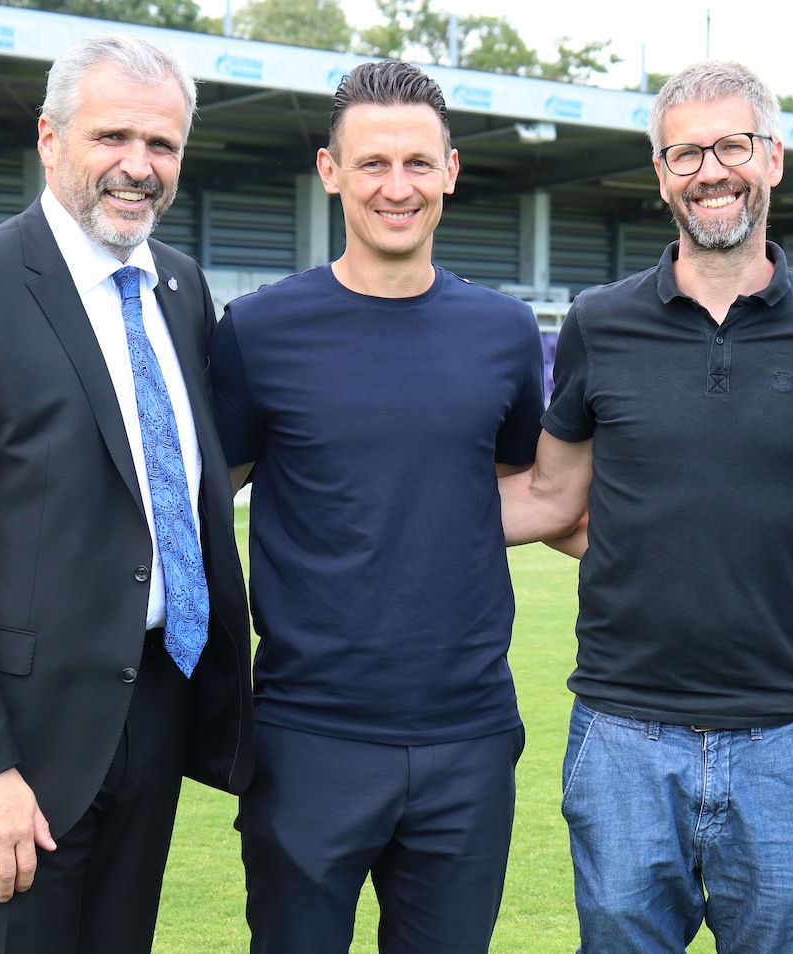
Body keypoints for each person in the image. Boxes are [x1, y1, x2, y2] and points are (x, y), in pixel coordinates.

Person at [500, 60, 793, 953]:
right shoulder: (597, 322)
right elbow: (551, 496)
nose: (710, 169)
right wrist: (374, 510)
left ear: (773, 157)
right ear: (661, 173)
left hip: (781, 737)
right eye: (684, 152)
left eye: (732, 145)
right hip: (618, 735)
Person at [0, 33, 253, 954]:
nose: (139, 167)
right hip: (12, 743)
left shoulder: (179, 288)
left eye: (163, 144)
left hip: (150, 720)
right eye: (113, 137)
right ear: (50, 138)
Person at [208, 60, 545, 953]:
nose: (397, 188)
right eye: (372, 164)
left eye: (417, 164)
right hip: (306, 737)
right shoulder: (257, 330)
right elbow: (200, 503)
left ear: (450, 170)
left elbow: (530, 488)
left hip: (470, 738)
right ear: (330, 171)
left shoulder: (506, 334)